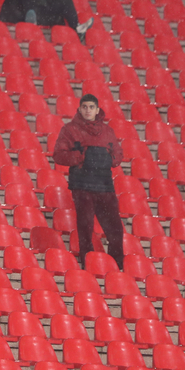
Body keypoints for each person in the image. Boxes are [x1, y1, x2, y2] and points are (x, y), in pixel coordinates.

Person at [52, 94, 124, 271]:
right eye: (84, 107)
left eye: (91, 107)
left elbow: (118, 154)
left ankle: (117, 267)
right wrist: (80, 158)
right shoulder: (70, 129)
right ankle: (87, 266)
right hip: (82, 186)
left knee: (115, 229)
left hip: (105, 185)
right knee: (85, 229)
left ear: (97, 110)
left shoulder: (107, 131)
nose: (88, 110)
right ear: (79, 109)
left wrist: (111, 160)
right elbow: (58, 155)